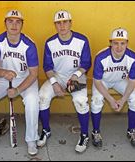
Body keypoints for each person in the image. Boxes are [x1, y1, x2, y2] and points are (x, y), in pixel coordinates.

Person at [0, 10, 40, 156]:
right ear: (5, 24)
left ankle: (31, 139)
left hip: (25, 78)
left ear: (22, 25)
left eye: (18, 22)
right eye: (10, 21)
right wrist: (3, 73)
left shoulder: (29, 45)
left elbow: (34, 73)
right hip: (3, 77)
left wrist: (17, 90)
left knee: (32, 100)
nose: (14, 25)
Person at [37, 10, 92, 153]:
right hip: (58, 75)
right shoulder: (50, 42)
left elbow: (86, 62)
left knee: (80, 101)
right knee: (42, 96)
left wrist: (76, 75)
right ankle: (46, 130)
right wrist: (55, 83)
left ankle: (84, 134)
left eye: (65, 22)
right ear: (55, 25)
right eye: (58, 23)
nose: (62, 25)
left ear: (70, 23)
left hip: (77, 75)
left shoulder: (81, 40)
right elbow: (47, 67)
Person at [91, 28, 135, 148]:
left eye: (122, 43)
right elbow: (97, 82)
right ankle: (96, 132)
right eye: (115, 43)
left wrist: (123, 100)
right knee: (96, 100)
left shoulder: (133, 57)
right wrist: (111, 99)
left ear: (127, 43)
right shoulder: (101, 57)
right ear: (110, 43)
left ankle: (131, 131)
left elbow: (132, 81)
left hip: (120, 80)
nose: (119, 47)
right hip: (102, 81)